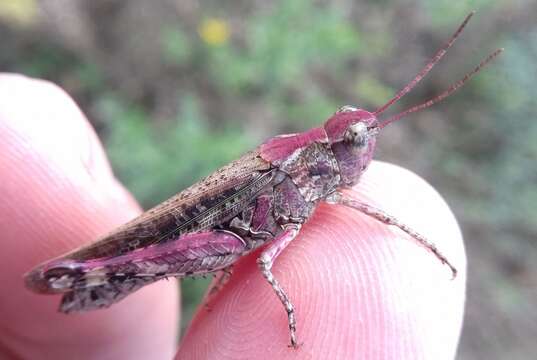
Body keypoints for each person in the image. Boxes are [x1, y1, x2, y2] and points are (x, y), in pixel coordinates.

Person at [0, 74, 465, 359]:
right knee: (256, 258)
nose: (363, 152)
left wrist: (410, 233)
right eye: (358, 140)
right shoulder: (293, 165)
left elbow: (369, 213)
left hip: (226, 237)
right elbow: (260, 258)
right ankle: (86, 273)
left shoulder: (311, 171)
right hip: (206, 236)